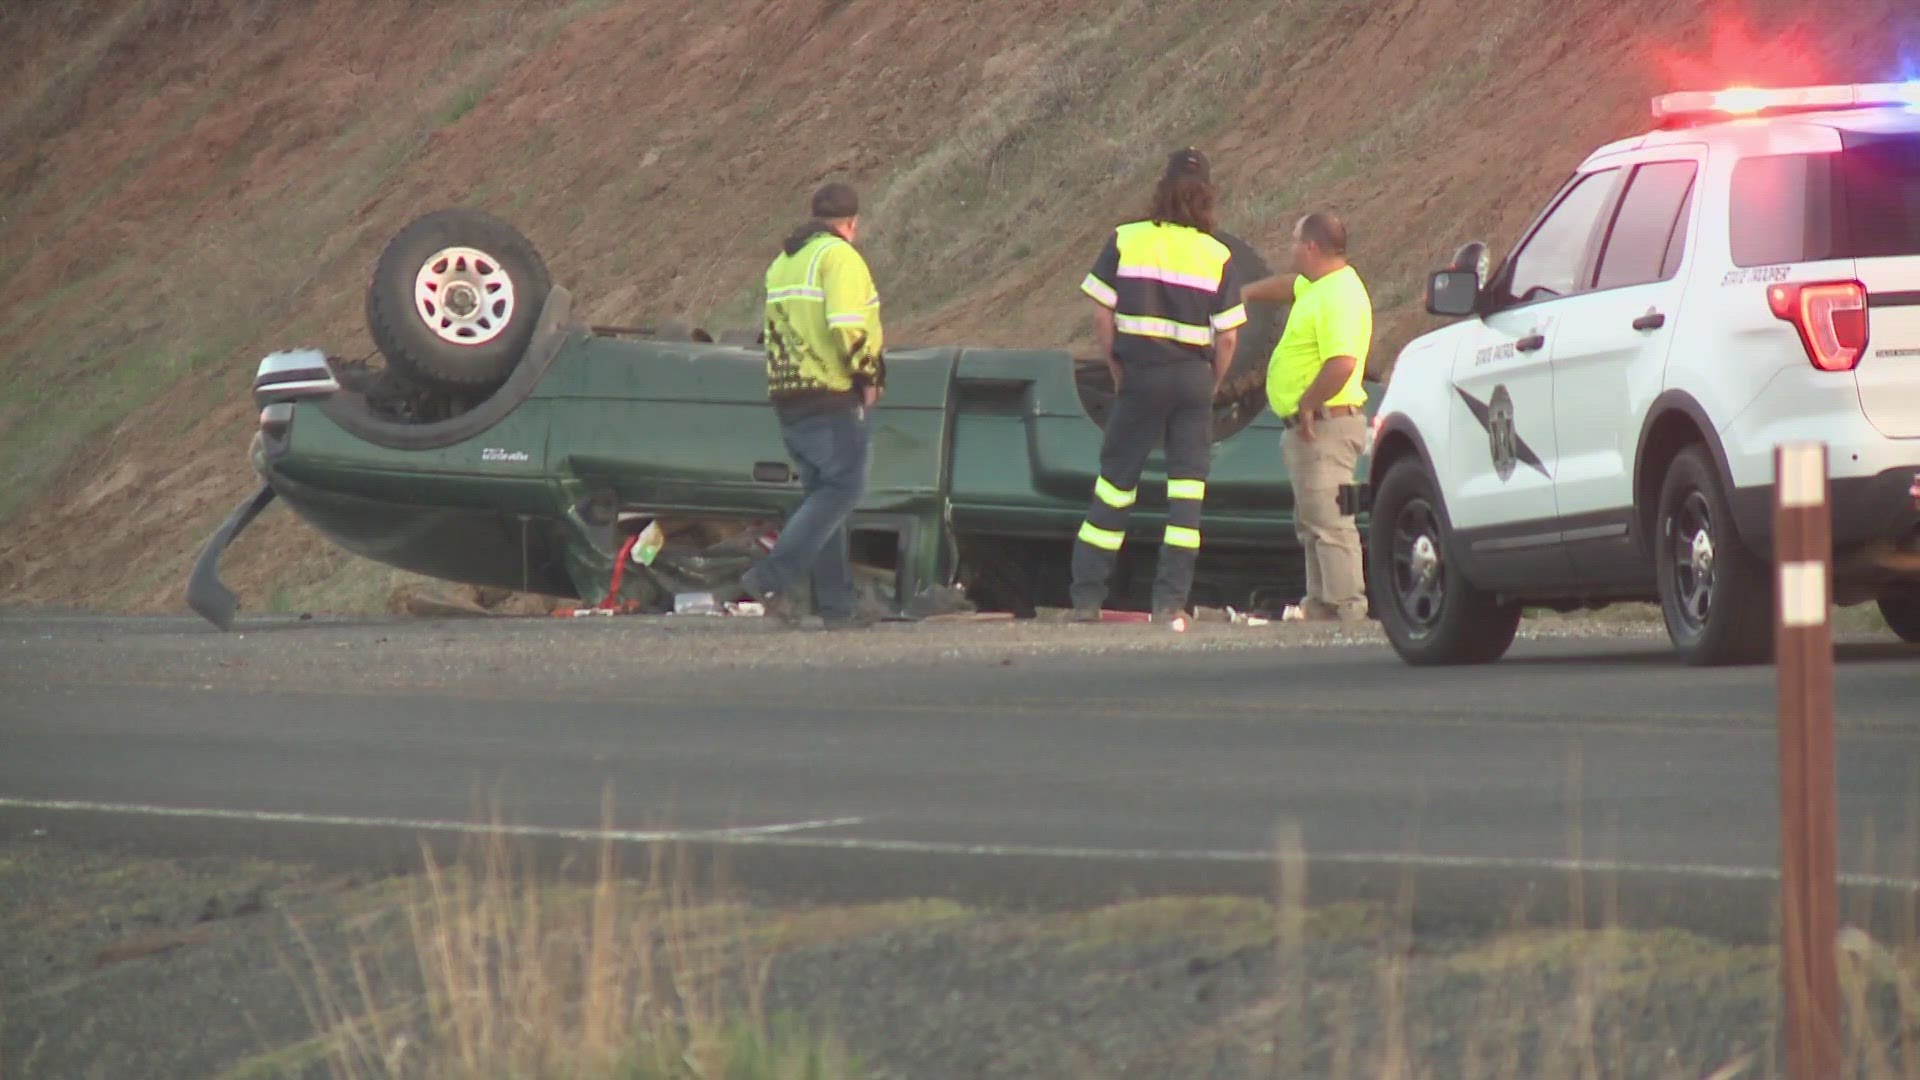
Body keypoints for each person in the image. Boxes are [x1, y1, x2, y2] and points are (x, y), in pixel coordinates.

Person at [1070, 148, 1248, 627]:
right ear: (1206, 196)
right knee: (1187, 495)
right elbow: (1228, 334)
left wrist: (1115, 361)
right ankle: (1169, 603)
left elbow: (1101, 310)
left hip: (1141, 374)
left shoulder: (1127, 239)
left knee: (1114, 487)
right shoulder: (1218, 254)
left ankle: (1087, 598)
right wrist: (1210, 380)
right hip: (1192, 379)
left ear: (1161, 190)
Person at [739, 182, 886, 630]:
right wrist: (869, 375)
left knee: (824, 497)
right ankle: (770, 578)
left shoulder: (785, 261)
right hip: (828, 389)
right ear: (852, 224)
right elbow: (846, 325)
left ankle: (837, 606)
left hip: (788, 392)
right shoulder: (839, 258)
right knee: (843, 490)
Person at [1243, 212, 1373, 623]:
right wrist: (1244, 293)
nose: (1291, 248)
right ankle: (1321, 604)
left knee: (1330, 521)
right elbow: (1287, 286)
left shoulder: (1338, 296)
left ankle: (1348, 609)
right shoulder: (1318, 286)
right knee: (1313, 518)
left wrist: (1307, 404)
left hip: (1326, 424)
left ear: (1311, 247)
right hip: (1313, 426)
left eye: (1295, 241)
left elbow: (1341, 361)